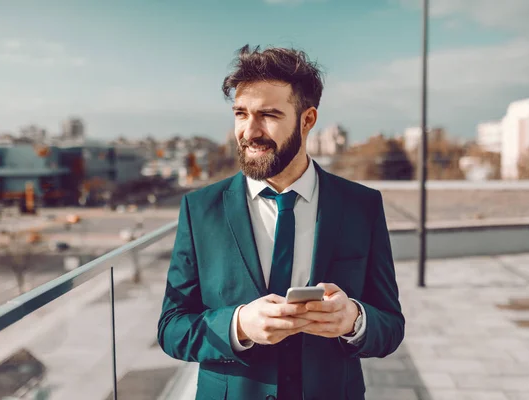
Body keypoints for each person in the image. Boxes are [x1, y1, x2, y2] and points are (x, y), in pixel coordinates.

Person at [158, 44, 405, 400]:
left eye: (268, 115)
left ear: (307, 120)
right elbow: (171, 329)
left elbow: (391, 327)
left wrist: (354, 319)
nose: (249, 131)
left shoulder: (361, 205)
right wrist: (238, 324)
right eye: (241, 114)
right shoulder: (200, 209)